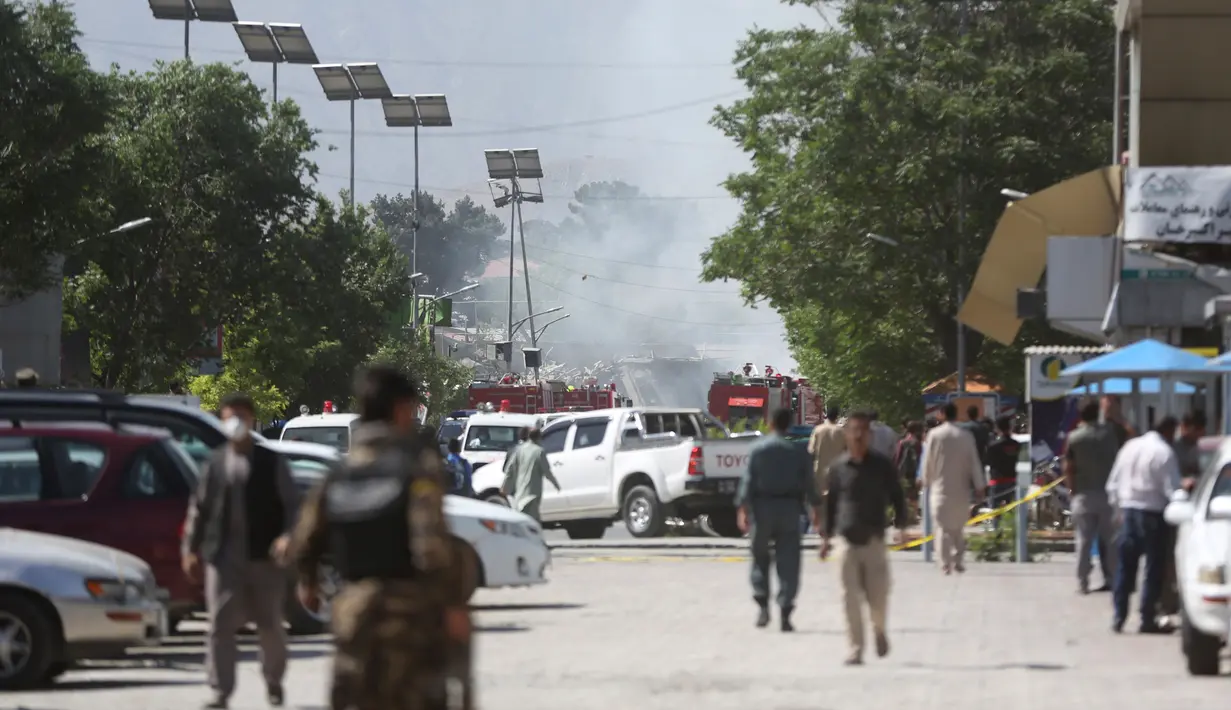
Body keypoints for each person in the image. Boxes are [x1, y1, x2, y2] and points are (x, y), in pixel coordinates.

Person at [290, 365, 473, 710]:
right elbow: (430, 545)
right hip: (410, 619)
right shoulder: (416, 468)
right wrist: (453, 604)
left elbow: (305, 541)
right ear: (402, 410)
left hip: (353, 616)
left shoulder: (338, 474)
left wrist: (309, 585)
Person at [181, 392, 299, 709]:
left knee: (270, 625)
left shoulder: (270, 461)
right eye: (230, 416)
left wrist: (288, 537)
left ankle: (274, 681)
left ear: (251, 419)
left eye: (242, 417)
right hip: (224, 557)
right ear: (221, 420)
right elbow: (200, 509)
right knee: (220, 626)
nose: (236, 423)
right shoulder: (215, 463)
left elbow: (292, 506)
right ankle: (220, 691)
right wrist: (190, 549)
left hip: (265, 558)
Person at [820, 411, 908, 666]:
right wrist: (826, 538)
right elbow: (831, 504)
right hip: (846, 540)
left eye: (863, 431)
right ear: (846, 435)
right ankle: (855, 648)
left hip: (874, 540)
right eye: (854, 431)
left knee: (878, 596)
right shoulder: (837, 469)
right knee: (849, 597)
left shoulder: (882, 466)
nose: (858, 436)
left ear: (870, 435)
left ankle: (879, 630)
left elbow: (897, 497)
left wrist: (901, 526)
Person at [735, 408, 820, 631]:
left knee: (760, 557)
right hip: (789, 509)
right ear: (790, 424)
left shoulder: (757, 450)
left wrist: (743, 510)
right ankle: (785, 612)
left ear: (770, 423)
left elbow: (748, 482)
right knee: (789, 561)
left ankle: (762, 604)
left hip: (762, 509)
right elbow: (809, 485)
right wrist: (815, 510)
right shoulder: (797, 452)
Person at [1105, 416, 1182, 634]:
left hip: (1128, 512)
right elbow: (1172, 489)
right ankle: (1146, 619)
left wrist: (1118, 512)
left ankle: (1119, 617)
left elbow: (1112, 484)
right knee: (1153, 569)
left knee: (1124, 567)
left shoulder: (1130, 447)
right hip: (1153, 516)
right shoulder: (1164, 453)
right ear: (1169, 431)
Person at [920, 403, 985, 574]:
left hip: (939, 490)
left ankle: (944, 563)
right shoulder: (965, 436)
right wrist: (979, 485)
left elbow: (928, 460)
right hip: (961, 491)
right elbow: (974, 462)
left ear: (941, 414)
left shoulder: (934, 435)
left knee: (942, 528)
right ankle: (958, 560)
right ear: (957, 415)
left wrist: (925, 480)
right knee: (958, 528)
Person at [1063, 401, 1120, 594]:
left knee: (1084, 541)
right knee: (1110, 540)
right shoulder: (1110, 434)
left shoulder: (1074, 438)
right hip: (1108, 494)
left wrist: (1072, 490)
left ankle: (1083, 582)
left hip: (1083, 495)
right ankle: (1112, 579)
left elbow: (1069, 467)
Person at [500, 427, 561, 522]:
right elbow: (547, 472)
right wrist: (556, 485)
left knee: (523, 519)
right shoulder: (539, 451)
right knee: (531, 523)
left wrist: (505, 487)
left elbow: (509, 470)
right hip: (532, 495)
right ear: (538, 438)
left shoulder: (519, 450)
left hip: (519, 494)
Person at [807, 405, 846, 521]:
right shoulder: (841, 431)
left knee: (821, 500)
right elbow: (847, 451)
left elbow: (811, 451)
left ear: (826, 415)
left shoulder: (818, 430)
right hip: (838, 471)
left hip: (820, 469)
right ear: (837, 416)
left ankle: (822, 526)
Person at [983, 416, 1021, 511]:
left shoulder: (993, 446)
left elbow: (987, 462)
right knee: (1013, 510)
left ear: (997, 428)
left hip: (997, 481)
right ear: (1010, 427)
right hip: (1013, 481)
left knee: (995, 512)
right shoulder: (1017, 445)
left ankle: (995, 526)